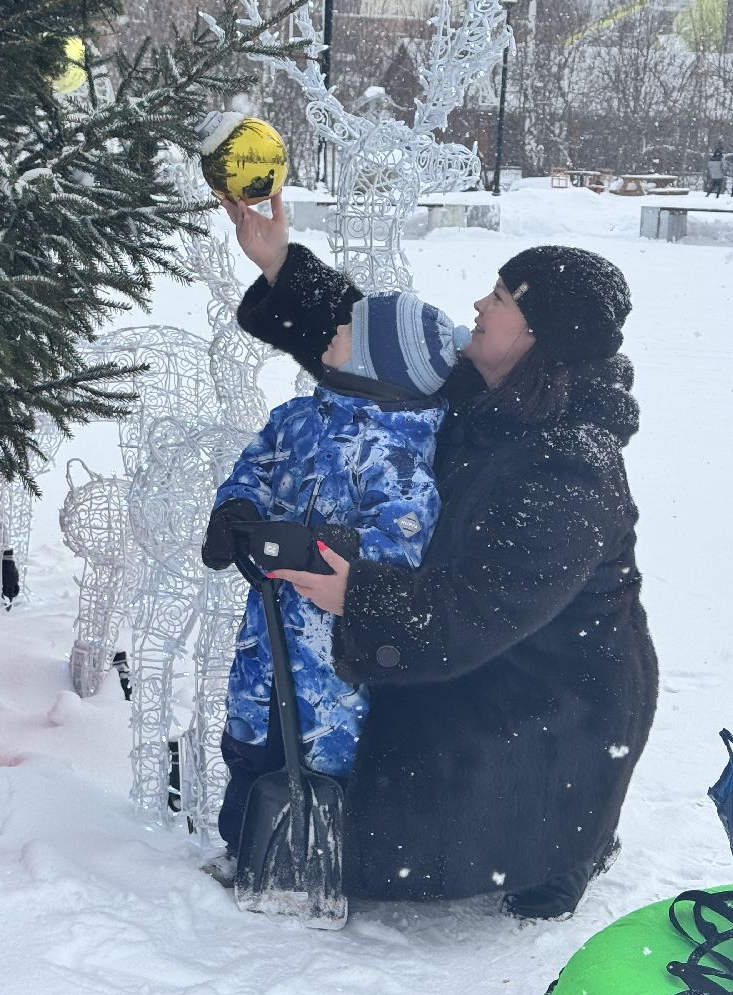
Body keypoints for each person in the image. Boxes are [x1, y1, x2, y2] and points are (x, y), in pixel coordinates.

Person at [219, 192, 659, 920]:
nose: (480, 305)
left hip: (549, 700)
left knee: (408, 827)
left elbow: (474, 610)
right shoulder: (494, 390)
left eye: (502, 297)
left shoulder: (568, 467)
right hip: (481, 653)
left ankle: (560, 846)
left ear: (538, 335)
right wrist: (280, 269)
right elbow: (375, 348)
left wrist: (357, 596)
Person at [201, 284, 463, 873]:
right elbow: (257, 467)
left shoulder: (398, 455)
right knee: (249, 742)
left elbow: (402, 542)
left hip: (333, 659)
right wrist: (237, 508)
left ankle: (318, 864)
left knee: (321, 757)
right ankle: (242, 847)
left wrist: (327, 548)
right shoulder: (296, 417)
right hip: (266, 628)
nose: (330, 336)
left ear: (378, 363)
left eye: (346, 331)